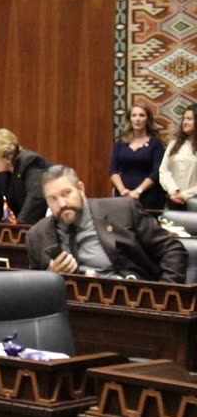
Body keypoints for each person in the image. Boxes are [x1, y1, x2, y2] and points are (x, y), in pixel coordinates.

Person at [27, 165, 187, 283]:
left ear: (80, 189)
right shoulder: (36, 236)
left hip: (129, 303)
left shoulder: (123, 210)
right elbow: (34, 291)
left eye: (66, 193)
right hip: (72, 312)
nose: (61, 204)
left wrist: (162, 295)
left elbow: (173, 251)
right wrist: (51, 275)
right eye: (52, 199)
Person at [0, 128, 50, 224]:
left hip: (42, 223)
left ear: (5, 156)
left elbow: (36, 198)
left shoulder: (30, 162)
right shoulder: (2, 173)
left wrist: (19, 226)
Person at [109, 104, 166, 211]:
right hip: (123, 195)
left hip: (148, 195)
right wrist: (122, 190)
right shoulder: (120, 143)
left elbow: (156, 172)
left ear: (147, 119)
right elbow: (113, 170)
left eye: (141, 115)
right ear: (129, 119)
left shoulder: (155, 143)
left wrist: (138, 191)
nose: (137, 119)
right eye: (134, 115)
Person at [160, 105, 197, 209]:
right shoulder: (174, 144)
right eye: (184, 119)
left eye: (189, 119)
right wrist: (173, 191)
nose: (185, 122)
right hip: (173, 200)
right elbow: (163, 170)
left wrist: (185, 195)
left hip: (194, 201)